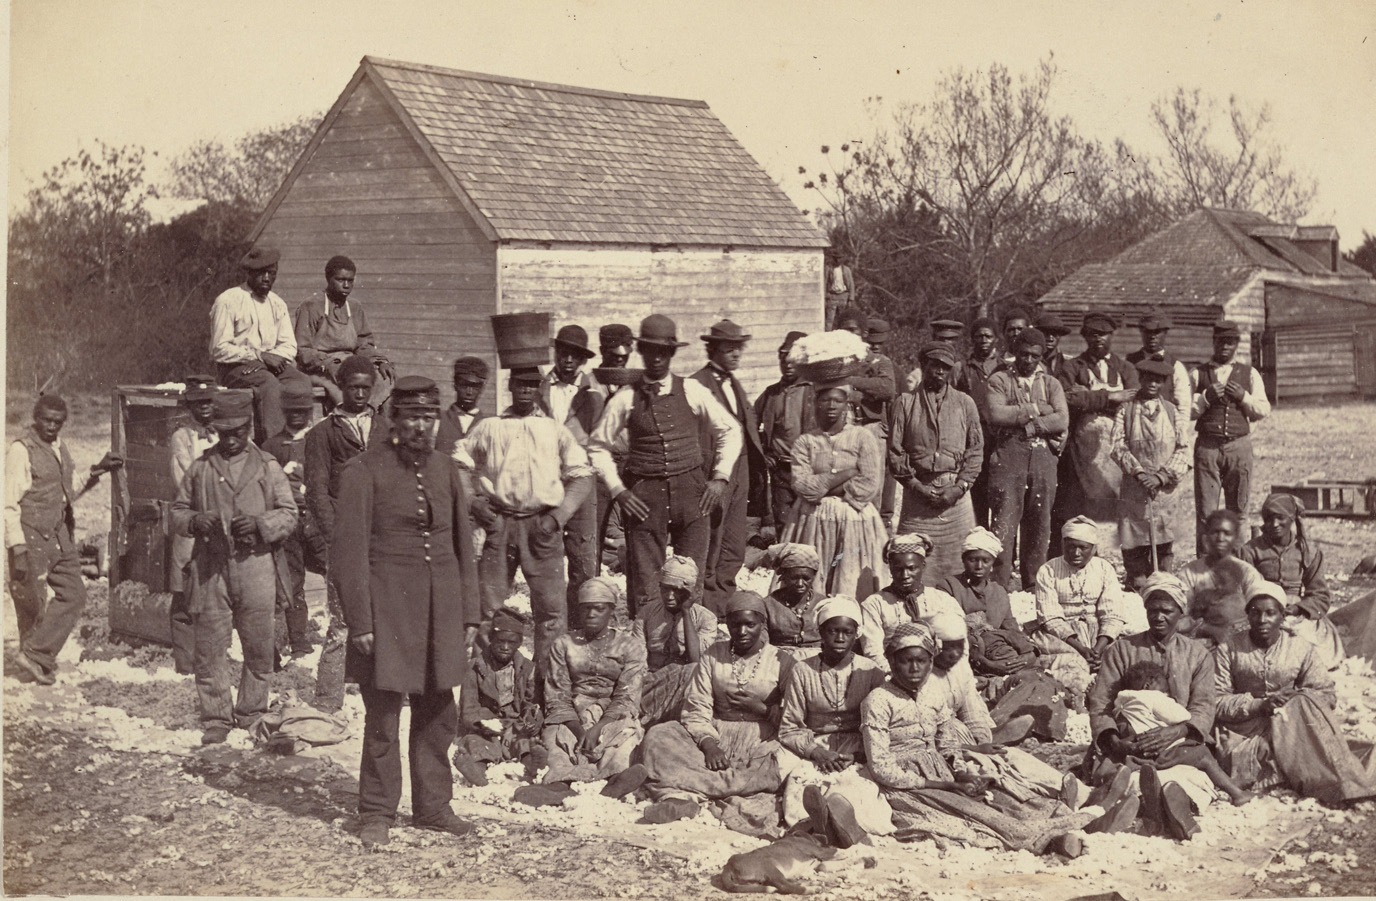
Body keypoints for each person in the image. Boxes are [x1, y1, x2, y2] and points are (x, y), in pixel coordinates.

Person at [330, 375, 482, 848]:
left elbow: (462, 546)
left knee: (439, 711)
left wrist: (470, 615)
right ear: (393, 420)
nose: (420, 425)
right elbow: (348, 554)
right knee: (383, 716)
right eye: (412, 416)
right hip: (388, 611)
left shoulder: (446, 471)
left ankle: (434, 806)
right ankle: (376, 811)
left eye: (428, 417)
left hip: (441, 610)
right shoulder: (363, 471)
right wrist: (361, 621)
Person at [860, 623, 1091, 855]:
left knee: (1005, 799)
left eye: (922, 661)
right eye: (906, 661)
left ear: (931, 662)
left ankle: (1074, 821)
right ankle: (1049, 843)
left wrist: (961, 773)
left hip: (942, 773)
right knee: (974, 818)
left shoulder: (932, 694)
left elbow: (947, 744)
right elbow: (880, 767)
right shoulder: (878, 701)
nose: (914, 668)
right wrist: (945, 785)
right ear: (891, 661)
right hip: (907, 785)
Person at [587, 314, 741, 617]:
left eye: (663, 352)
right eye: (650, 351)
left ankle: (690, 649)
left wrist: (720, 478)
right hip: (645, 499)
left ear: (672, 354)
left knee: (689, 578)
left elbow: (730, 430)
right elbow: (597, 446)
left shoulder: (692, 390)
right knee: (646, 581)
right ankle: (649, 652)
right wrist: (619, 491)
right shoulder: (626, 397)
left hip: (693, 495)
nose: (656, 358)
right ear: (641, 352)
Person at [170, 392, 296, 744]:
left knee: (259, 645)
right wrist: (196, 521)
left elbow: (290, 513)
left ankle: (252, 711)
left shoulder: (267, 467)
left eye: (238, 432)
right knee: (210, 645)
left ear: (249, 427)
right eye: (224, 432)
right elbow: (177, 512)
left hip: (257, 567)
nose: (231, 439)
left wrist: (260, 525)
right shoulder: (201, 467)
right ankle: (216, 716)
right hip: (212, 569)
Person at [453, 365, 595, 672]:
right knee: (488, 607)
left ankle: (547, 681)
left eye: (532, 384)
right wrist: (475, 504)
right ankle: (485, 680)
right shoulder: (490, 427)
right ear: (510, 385)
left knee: (551, 610)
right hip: (500, 525)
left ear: (539, 388)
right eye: (520, 383)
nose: (526, 390)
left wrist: (558, 517)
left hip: (541, 528)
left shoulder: (555, 430)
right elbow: (458, 462)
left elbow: (582, 475)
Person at [1084, 571, 1223, 835]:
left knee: (1189, 777)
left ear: (1180, 612)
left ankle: (1166, 808)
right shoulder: (1122, 650)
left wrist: (1177, 731)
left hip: (1179, 746)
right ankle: (1161, 811)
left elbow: (1204, 706)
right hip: (1129, 747)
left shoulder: (1198, 655)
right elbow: (1101, 701)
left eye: (1166, 611)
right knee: (1118, 775)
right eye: (1152, 609)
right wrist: (1114, 739)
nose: (1158, 616)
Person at [640, 591, 796, 825]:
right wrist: (709, 745)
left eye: (750, 625)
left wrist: (763, 709)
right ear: (727, 625)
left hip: (763, 737)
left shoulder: (782, 661)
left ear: (762, 624)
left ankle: (685, 790)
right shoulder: (714, 654)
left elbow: (794, 717)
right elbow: (697, 704)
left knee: (785, 758)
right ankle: (713, 790)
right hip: (715, 732)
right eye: (735, 625)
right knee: (658, 735)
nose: (742, 632)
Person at [1215, 583, 1376, 806]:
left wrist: (1294, 701)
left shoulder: (1300, 647)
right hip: (1247, 728)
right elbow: (1216, 700)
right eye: (1255, 612)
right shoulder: (1229, 649)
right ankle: (1338, 785)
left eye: (1271, 613)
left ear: (1283, 615)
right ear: (1247, 616)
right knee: (1269, 754)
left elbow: (1326, 694)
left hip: (1291, 725)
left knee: (1338, 739)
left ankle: (1343, 785)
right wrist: (1259, 705)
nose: (1262, 620)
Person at [6, 394, 121, 685]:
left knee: (74, 594)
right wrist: (16, 546)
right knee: (31, 602)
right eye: (46, 420)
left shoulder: (60, 448)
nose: (52, 426)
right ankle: (31, 662)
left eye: (58, 422)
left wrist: (97, 470)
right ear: (36, 417)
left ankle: (34, 655)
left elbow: (69, 491)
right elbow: (7, 503)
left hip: (59, 534)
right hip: (30, 534)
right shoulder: (21, 450)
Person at [303, 355, 387, 711]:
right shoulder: (323, 433)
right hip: (344, 536)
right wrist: (334, 537)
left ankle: (386, 687)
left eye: (365, 388)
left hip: (383, 537)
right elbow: (317, 490)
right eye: (353, 387)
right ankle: (328, 698)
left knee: (384, 613)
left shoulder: (385, 429)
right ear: (342, 388)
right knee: (340, 621)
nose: (359, 394)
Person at [777, 595, 892, 846]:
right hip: (815, 745)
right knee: (801, 780)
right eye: (832, 631)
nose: (840, 638)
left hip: (860, 746)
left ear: (856, 635)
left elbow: (881, 724)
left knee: (861, 787)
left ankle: (845, 826)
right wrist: (816, 752)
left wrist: (858, 755)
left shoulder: (871, 671)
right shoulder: (802, 670)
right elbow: (790, 726)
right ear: (820, 632)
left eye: (847, 632)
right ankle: (814, 824)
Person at [780, 373, 887, 603]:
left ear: (846, 404)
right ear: (815, 403)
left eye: (837, 401)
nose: (831, 406)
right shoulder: (805, 442)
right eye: (825, 400)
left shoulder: (862, 437)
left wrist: (824, 484)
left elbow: (869, 484)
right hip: (812, 519)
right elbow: (802, 484)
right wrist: (846, 474)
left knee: (850, 577)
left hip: (854, 520)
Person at [888, 343, 983, 586]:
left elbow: (975, 450)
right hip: (917, 495)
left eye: (945, 367)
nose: (939, 372)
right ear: (923, 366)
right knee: (911, 560)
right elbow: (895, 452)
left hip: (955, 498)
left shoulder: (965, 403)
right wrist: (915, 486)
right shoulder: (905, 403)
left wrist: (959, 488)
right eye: (934, 365)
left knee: (961, 565)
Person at [542, 578, 647, 791]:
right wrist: (581, 731)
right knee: (557, 742)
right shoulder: (563, 644)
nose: (591, 614)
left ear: (611, 611)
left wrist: (599, 727)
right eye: (585, 609)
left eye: (598, 609)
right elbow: (557, 695)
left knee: (624, 741)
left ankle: (615, 782)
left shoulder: (630, 646)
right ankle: (559, 785)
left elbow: (627, 696)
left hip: (612, 713)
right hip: (572, 714)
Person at [984, 327, 1068, 588]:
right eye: (1023, 354)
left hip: (1043, 458)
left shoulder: (1051, 383)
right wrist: (1037, 409)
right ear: (1015, 352)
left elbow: (1062, 419)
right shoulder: (999, 380)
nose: (1028, 361)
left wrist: (1030, 425)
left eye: (1034, 356)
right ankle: (999, 584)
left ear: (1042, 355)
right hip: (1009, 456)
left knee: (1040, 523)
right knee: (1004, 523)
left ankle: (1034, 583)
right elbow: (996, 414)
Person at [1050, 312, 1138, 557]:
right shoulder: (1073, 367)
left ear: (1112, 336)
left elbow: (1132, 398)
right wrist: (1109, 397)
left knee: (1116, 502)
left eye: (1103, 334)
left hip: (1116, 446)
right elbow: (1068, 398)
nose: (1098, 339)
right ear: (1085, 337)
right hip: (1082, 450)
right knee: (1083, 505)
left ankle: (1118, 559)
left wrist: (1087, 396)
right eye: (1093, 334)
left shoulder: (1125, 368)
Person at [692, 320, 765, 614]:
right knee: (712, 540)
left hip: (741, 472)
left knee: (734, 544)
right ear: (713, 350)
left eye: (739, 349)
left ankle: (723, 607)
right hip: (715, 473)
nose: (735, 355)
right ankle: (705, 608)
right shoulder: (697, 384)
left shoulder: (735, 383)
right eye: (728, 349)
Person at [1110, 660, 1253, 806]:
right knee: (1202, 754)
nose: (1166, 691)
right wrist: (1170, 701)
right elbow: (1183, 716)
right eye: (1163, 686)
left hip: (1138, 755)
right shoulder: (1152, 697)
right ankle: (1237, 794)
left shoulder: (1121, 704)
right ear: (1148, 685)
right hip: (1161, 752)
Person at [209, 246, 313, 443]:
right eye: (261, 273)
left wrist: (267, 359)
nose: (267, 278)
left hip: (269, 366)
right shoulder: (228, 300)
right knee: (269, 384)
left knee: (301, 381)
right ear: (249, 273)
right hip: (235, 369)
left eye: (272, 274)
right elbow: (219, 349)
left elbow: (289, 346)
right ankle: (274, 446)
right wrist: (259, 355)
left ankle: (299, 441)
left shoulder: (277, 304)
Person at [541, 324, 605, 616]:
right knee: (547, 551)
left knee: (583, 555)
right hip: (545, 480)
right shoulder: (540, 387)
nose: (568, 359)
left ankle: (581, 621)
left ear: (583, 359)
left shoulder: (594, 392)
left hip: (581, 481)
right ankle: (553, 619)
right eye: (563, 352)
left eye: (575, 355)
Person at [1239, 493, 1344, 669]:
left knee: (1313, 651)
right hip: (1261, 612)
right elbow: (1242, 590)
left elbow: (1321, 596)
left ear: (1292, 518)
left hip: (1296, 615)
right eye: (1269, 519)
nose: (1274, 524)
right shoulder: (1250, 551)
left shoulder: (1308, 552)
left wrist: (1297, 608)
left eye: (1281, 518)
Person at [1109, 358, 1189, 589]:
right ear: (1141, 379)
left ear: (1163, 383)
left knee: (1164, 533)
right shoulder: (1126, 409)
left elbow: (1184, 449)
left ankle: (1163, 577)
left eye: (1158, 380)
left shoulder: (1172, 412)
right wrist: (1139, 472)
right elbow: (1117, 445)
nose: (1152, 383)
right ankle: (1136, 578)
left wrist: (1161, 476)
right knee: (1133, 531)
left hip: (1165, 486)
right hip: (1135, 483)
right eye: (1148, 378)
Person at [1192, 320, 1269, 553]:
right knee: (1206, 513)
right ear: (1213, 342)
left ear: (1236, 344)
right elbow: (1185, 410)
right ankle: (1205, 566)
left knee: (1239, 511)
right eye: (1221, 341)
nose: (1225, 346)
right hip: (1207, 447)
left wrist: (1244, 397)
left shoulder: (1250, 373)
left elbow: (1263, 410)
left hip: (1239, 446)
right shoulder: (1198, 373)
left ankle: (1237, 564)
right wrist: (1205, 398)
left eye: (1230, 341)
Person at [1031, 516, 1128, 695]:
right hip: (1062, 636)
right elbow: (1050, 617)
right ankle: (1080, 695)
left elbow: (1112, 613)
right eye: (1071, 546)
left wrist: (1098, 649)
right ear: (1062, 545)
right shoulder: (1048, 570)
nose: (1076, 553)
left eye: (1083, 547)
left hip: (1099, 633)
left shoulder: (1104, 568)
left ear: (1093, 549)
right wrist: (1081, 648)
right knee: (1070, 663)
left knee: (1119, 657)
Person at [261, 381, 321, 658]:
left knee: (336, 573)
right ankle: (298, 641)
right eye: (291, 411)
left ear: (310, 410)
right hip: (291, 524)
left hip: (320, 521)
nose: (297, 416)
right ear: (284, 412)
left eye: (302, 410)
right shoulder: (272, 445)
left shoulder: (320, 439)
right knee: (293, 580)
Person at [452, 607, 545, 786]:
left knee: (525, 744)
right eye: (500, 641)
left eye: (511, 642)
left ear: (519, 643)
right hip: (487, 727)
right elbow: (468, 710)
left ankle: (532, 767)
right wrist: (484, 724)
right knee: (477, 744)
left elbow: (530, 703)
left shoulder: (527, 668)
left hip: (515, 727)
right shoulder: (474, 668)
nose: (505, 647)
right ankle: (477, 773)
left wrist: (531, 719)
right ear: (491, 639)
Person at [292, 255, 395, 410]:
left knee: (386, 379)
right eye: (340, 280)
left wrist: (380, 362)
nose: (346, 285)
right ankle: (352, 421)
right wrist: (328, 364)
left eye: (350, 281)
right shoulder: (311, 306)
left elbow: (364, 344)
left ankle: (370, 421)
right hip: (319, 368)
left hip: (351, 364)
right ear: (328, 279)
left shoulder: (354, 307)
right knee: (347, 392)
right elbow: (302, 350)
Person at [167, 374, 219, 674]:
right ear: (190, 406)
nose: (205, 409)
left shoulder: (224, 434)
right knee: (184, 589)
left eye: (209, 402)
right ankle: (186, 663)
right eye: (199, 404)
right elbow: (185, 481)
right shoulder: (181, 438)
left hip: (218, 524)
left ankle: (211, 657)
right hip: (191, 521)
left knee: (215, 589)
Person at [938, 528, 1035, 678]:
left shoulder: (999, 592)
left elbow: (1011, 628)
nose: (979, 566)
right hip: (963, 656)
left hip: (999, 653)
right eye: (972, 560)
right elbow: (948, 633)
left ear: (992, 563)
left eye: (985, 560)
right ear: (963, 560)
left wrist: (1027, 654)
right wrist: (985, 663)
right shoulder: (948, 586)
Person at [858, 534, 965, 670]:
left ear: (923, 566)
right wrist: (902, 677)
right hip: (893, 675)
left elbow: (959, 646)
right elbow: (873, 653)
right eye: (898, 569)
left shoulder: (943, 601)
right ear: (890, 568)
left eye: (911, 568)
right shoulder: (874, 604)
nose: (905, 575)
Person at [637, 555, 719, 726]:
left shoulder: (705, 618)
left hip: (684, 687)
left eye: (677, 590)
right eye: (665, 589)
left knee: (694, 671)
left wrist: (686, 612)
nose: (669, 596)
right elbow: (636, 656)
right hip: (650, 683)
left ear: (690, 592)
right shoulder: (647, 613)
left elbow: (696, 659)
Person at [1178, 509, 1268, 647]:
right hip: (1199, 642)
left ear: (1236, 538)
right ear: (1206, 536)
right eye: (1215, 532)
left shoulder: (1247, 573)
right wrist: (1210, 630)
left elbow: (1260, 612)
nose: (1220, 538)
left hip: (1241, 643)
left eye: (1227, 533)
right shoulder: (1189, 573)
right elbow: (1180, 618)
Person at [754, 331, 814, 535]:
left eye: (793, 360)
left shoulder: (815, 391)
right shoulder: (771, 394)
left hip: (808, 469)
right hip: (780, 469)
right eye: (783, 359)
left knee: (809, 521)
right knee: (783, 521)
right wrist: (762, 452)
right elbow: (749, 425)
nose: (787, 364)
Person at [851, 318, 897, 529]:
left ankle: (874, 531)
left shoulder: (882, 363)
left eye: (880, 342)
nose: (875, 346)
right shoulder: (849, 360)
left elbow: (887, 389)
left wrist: (855, 386)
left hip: (872, 426)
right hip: (849, 426)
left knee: (873, 484)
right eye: (871, 341)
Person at [958, 317, 1002, 529]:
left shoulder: (1004, 367)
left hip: (1000, 437)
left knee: (1001, 493)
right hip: (975, 436)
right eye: (979, 336)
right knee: (978, 492)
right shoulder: (964, 368)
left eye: (988, 336)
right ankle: (979, 541)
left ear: (996, 339)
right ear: (972, 339)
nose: (983, 340)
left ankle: (1004, 554)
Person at [1125, 311, 1191, 434]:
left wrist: (1179, 435)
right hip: (1134, 430)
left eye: (1157, 332)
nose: (1152, 336)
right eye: (1147, 332)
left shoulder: (1175, 366)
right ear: (1141, 332)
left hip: (1165, 432)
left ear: (1165, 333)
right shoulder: (1128, 363)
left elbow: (1183, 407)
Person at [760, 543, 824, 655]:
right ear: (783, 576)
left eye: (806, 578)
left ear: (813, 577)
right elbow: (763, 644)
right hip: (778, 660)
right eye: (794, 578)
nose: (800, 584)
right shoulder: (768, 605)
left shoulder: (823, 604)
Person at [435, 356, 489, 457]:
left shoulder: (487, 425)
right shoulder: (438, 419)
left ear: (482, 388)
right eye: (464, 385)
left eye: (475, 386)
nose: (469, 392)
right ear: (455, 384)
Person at [1033, 311, 1072, 380]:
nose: (1050, 338)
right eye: (1046, 334)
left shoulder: (1069, 362)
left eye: (1054, 334)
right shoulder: (1030, 361)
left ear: (1060, 336)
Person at [824, 256, 855, 330]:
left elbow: (851, 283)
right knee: (829, 319)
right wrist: (825, 296)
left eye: (840, 258)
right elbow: (824, 282)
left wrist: (851, 299)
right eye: (836, 258)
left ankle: (842, 336)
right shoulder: (829, 269)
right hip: (832, 296)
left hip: (843, 296)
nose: (838, 260)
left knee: (843, 319)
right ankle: (828, 337)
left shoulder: (846, 269)